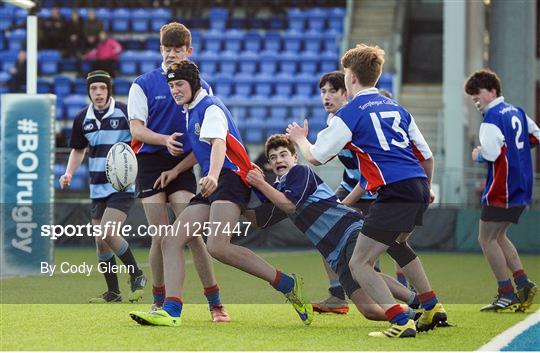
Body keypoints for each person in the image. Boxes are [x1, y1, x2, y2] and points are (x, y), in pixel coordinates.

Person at [128, 61, 313, 327]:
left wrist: (212, 174)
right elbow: (201, 150)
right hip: (215, 181)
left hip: (230, 179)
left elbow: (218, 144)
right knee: (171, 240)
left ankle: (287, 283)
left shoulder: (210, 107)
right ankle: (171, 311)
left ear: (193, 84)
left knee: (217, 246)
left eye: (179, 84)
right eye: (170, 86)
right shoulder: (191, 109)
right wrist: (181, 170)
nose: (174, 91)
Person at [287, 44, 447, 338]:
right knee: (398, 246)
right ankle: (432, 307)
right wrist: (426, 186)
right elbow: (426, 156)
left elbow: (315, 157)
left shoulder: (351, 113)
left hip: (393, 192)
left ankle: (400, 321)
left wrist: (300, 139)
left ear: (351, 78)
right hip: (418, 187)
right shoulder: (398, 108)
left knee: (359, 263)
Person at [245, 134, 420, 322]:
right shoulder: (279, 189)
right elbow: (260, 221)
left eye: (283, 154)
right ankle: (414, 314)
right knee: (370, 311)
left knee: (366, 275)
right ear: (269, 165)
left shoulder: (300, 172)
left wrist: (260, 183)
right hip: (334, 253)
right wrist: (241, 194)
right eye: (273, 157)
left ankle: (418, 302)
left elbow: (289, 205)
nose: (278, 160)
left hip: (348, 230)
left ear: (294, 158)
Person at [128, 22, 229, 322]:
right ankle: (159, 303)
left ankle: (216, 303)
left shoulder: (200, 86)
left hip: (183, 162)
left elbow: (204, 137)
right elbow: (136, 129)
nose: (172, 55)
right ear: (160, 49)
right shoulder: (142, 84)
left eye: (178, 50)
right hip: (150, 163)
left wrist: (178, 164)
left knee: (192, 234)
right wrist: (164, 140)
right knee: (160, 235)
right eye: (167, 49)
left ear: (189, 51)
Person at [59, 70, 146, 303]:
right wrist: (68, 173)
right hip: (97, 187)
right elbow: (78, 150)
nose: (98, 93)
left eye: (102, 88)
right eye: (93, 89)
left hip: (121, 185)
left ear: (109, 90)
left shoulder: (124, 111)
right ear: (88, 91)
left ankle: (136, 273)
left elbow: (139, 138)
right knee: (100, 240)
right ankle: (113, 293)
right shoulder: (81, 118)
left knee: (108, 232)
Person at [464, 69, 539, 312]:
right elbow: (536, 136)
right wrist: (517, 151)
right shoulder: (517, 111)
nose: (475, 99)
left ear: (493, 91)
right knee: (499, 236)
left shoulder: (491, 118)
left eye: (478, 93)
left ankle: (506, 293)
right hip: (523, 185)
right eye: (472, 96)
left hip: (502, 187)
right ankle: (522, 283)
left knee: (486, 239)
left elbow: (493, 154)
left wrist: (478, 155)